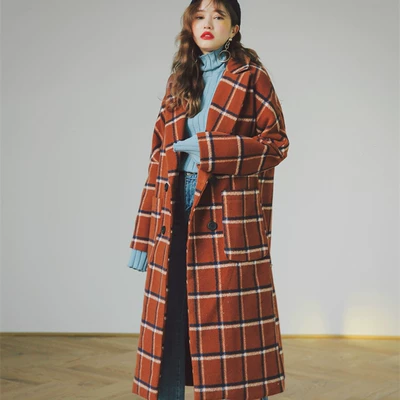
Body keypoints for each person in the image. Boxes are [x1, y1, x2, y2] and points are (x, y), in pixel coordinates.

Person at [127, 0, 289, 399]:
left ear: (234, 28)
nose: (208, 24)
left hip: (224, 212)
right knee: (171, 317)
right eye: (200, 16)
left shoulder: (252, 77)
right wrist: (142, 239)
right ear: (190, 24)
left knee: (227, 329)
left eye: (218, 17)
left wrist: (210, 149)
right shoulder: (179, 79)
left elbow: (276, 145)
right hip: (173, 209)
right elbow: (157, 158)